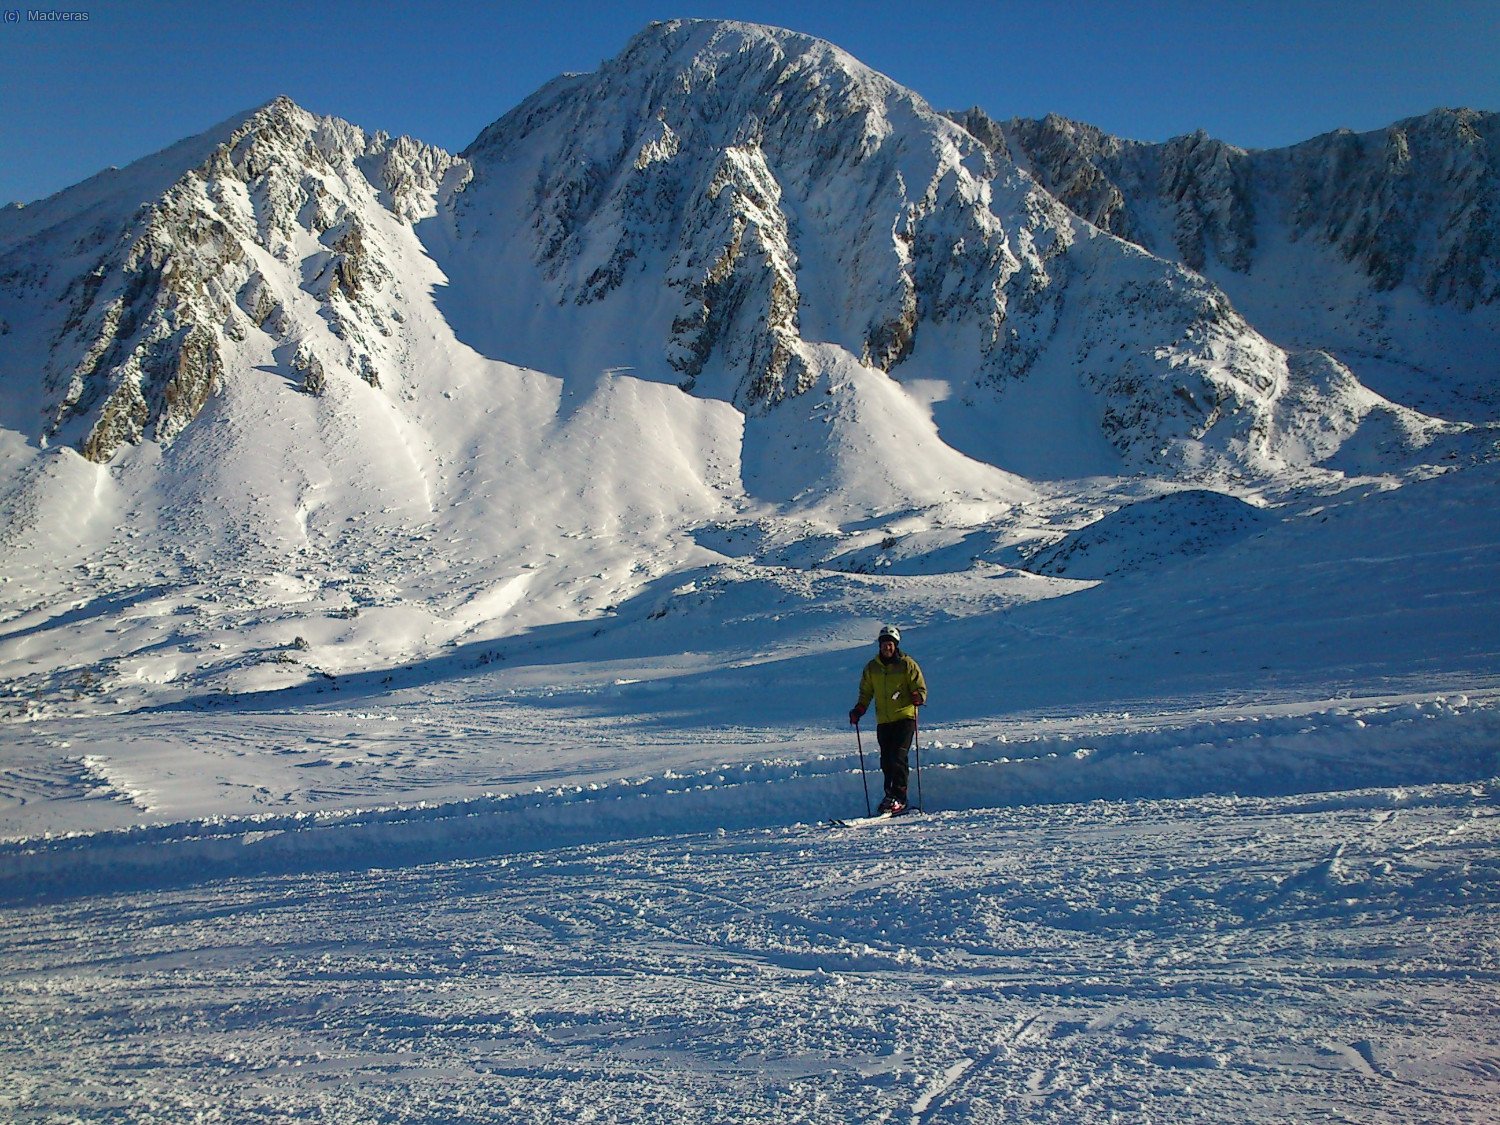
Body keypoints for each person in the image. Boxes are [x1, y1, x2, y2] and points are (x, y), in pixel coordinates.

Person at [848, 624, 927, 814]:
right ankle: (890, 796)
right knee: (886, 760)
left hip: (905, 718)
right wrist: (859, 709)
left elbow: (920, 687)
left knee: (898, 757)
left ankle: (900, 797)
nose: (887, 647)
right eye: (884, 644)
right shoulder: (872, 668)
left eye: (890, 644)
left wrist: (918, 697)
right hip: (884, 721)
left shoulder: (907, 664)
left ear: (896, 645)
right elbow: (866, 692)